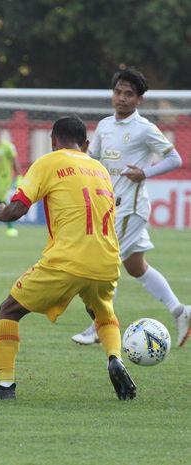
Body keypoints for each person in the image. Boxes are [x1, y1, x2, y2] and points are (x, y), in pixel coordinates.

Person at [0, 116, 136, 400]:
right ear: (85, 145)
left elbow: (17, 210)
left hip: (67, 261)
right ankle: (114, 357)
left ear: (53, 141)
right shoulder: (100, 169)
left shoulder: (48, 162)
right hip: (108, 261)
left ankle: (5, 385)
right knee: (101, 312)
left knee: (9, 310)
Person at [71, 68, 190, 347]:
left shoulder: (145, 129)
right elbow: (94, 160)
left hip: (130, 209)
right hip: (109, 207)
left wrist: (145, 173)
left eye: (129, 94)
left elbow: (175, 158)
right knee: (136, 266)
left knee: (105, 264)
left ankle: (100, 325)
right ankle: (180, 311)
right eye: (118, 92)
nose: (121, 98)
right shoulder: (103, 126)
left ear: (139, 100)